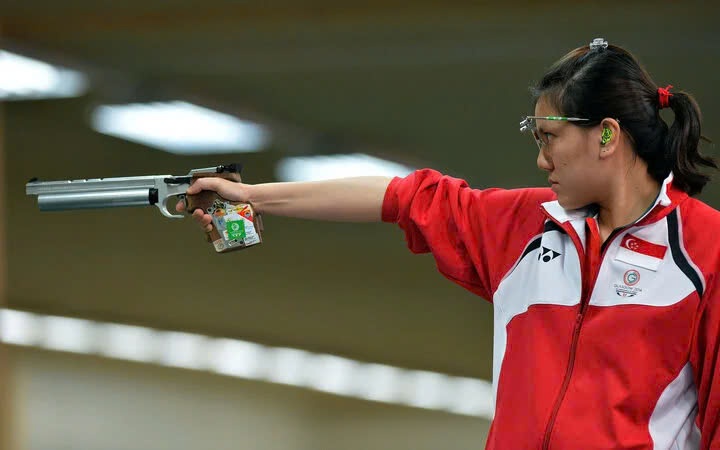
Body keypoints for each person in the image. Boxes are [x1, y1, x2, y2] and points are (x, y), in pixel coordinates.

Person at [176, 38, 719, 449]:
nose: (540, 159)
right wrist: (254, 197)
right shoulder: (521, 225)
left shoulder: (708, 250)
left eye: (548, 137)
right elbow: (398, 196)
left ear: (605, 135)